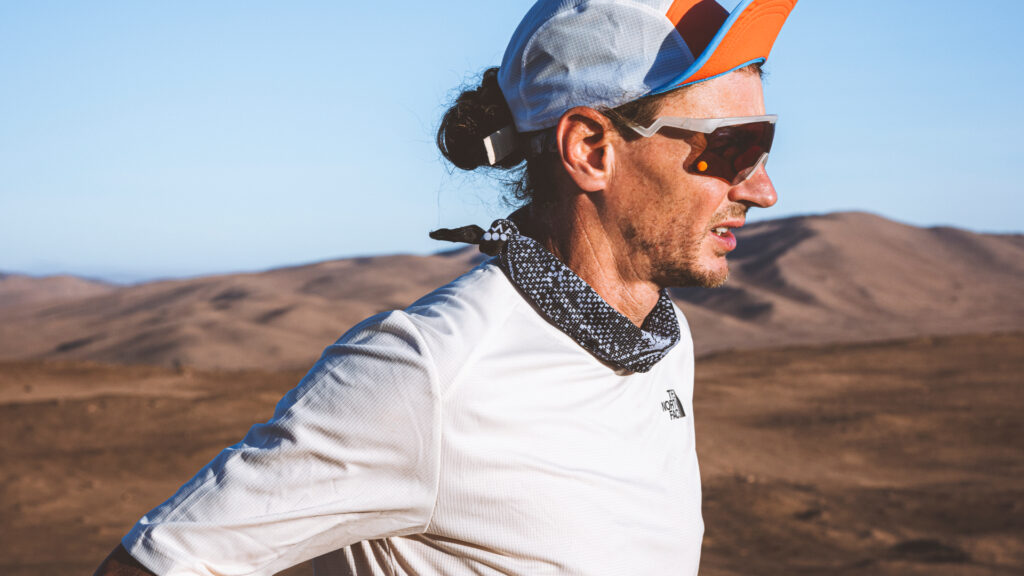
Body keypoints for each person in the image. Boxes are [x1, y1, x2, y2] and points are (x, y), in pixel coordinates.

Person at [94, 0, 796, 574]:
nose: (762, 190)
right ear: (590, 150)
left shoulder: (665, 343)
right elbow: (160, 563)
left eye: (763, 144)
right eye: (730, 148)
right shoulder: (429, 373)